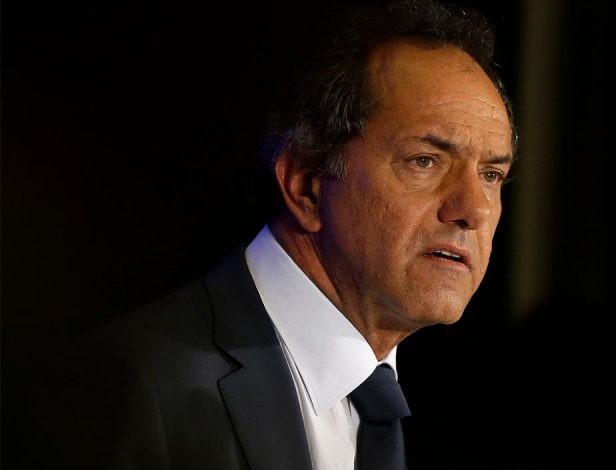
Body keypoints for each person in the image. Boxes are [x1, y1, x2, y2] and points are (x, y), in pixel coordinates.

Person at [30, 0, 516, 468]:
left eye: (491, 174)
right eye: (425, 161)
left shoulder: (469, 413)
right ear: (306, 186)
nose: (473, 209)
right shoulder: (133, 388)